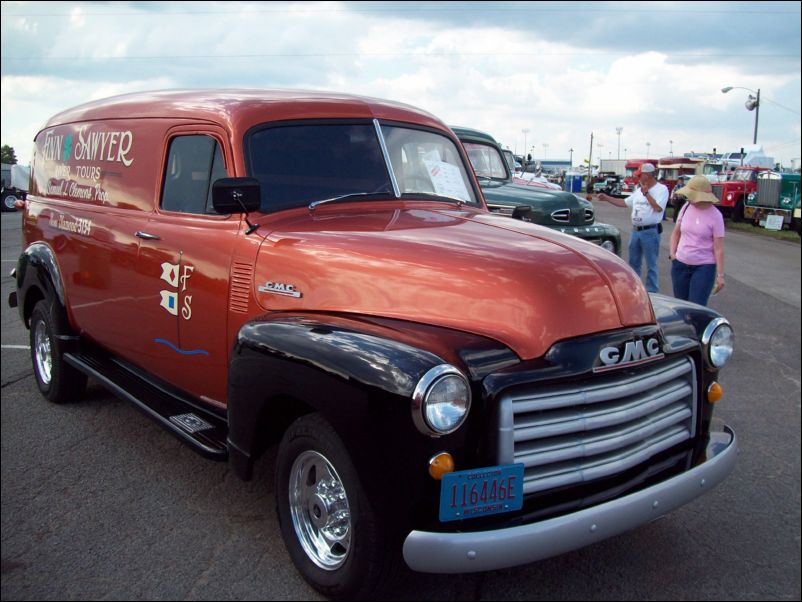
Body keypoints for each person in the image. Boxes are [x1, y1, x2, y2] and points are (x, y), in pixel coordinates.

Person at [598, 163, 669, 293]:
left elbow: (658, 208)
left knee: (651, 264)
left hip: (650, 231)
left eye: (639, 175)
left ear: (647, 175)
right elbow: (624, 202)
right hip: (636, 231)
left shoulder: (661, 189)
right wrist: (607, 198)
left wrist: (646, 193)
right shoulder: (638, 190)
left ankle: (652, 292)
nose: (637, 178)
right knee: (633, 262)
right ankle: (634, 289)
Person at [668, 175, 725, 306]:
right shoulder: (686, 207)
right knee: (681, 306)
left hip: (703, 267)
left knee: (696, 307)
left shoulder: (716, 216)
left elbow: (719, 248)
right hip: (680, 264)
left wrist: (720, 275)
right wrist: (673, 254)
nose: (689, 197)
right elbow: (676, 232)